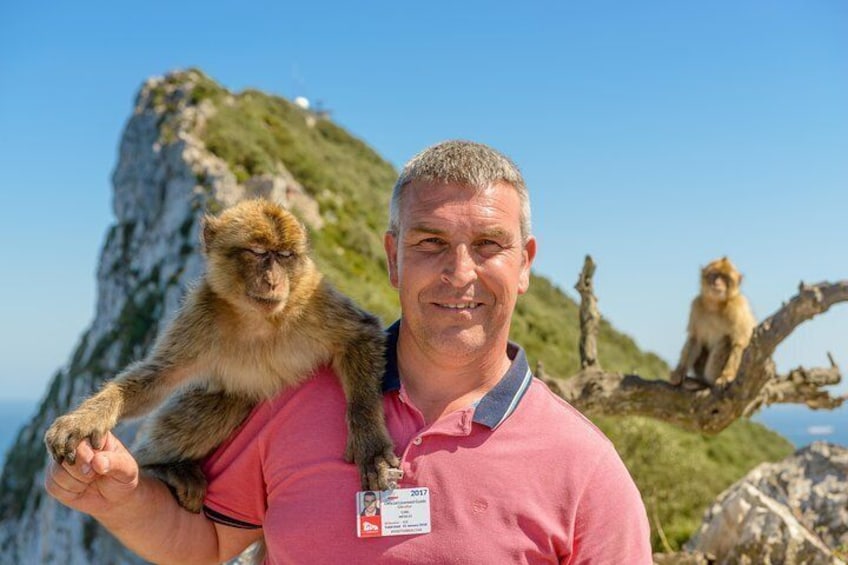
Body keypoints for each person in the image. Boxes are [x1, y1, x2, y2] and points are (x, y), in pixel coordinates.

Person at [45, 140, 652, 563]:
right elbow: (202, 542)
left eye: (489, 244)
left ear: (525, 264)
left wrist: (364, 421)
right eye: (431, 242)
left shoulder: (585, 467)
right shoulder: (289, 402)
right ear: (392, 258)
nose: (459, 272)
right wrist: (123, 499)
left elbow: (357, 337)